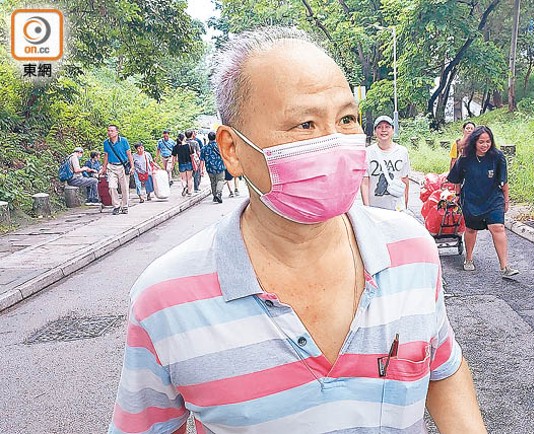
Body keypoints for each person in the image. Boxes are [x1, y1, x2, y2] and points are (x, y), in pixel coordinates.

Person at [109, 27, 486, 434]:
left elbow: (442, 368)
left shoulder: (412, 248)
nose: (335, 143)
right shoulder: (164, 299)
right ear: (233, 150)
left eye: (345, 119)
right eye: (305, 124)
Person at [447, 125, 519, 277]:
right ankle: (468, 258)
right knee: (471, 229)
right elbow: (457, 178)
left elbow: (504, 180)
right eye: (481, 142)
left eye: (488, 141)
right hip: (472, 198)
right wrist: (458, 194)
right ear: (474, 142)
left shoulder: (497, 156)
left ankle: (505, 266)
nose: (485, 145)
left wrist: (506, 200)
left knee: (498, 227)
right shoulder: (466, 158)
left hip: (493, 198)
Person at [360, 115, 411, 212]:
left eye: (387, 127)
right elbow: (365, 182)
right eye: (379, 127)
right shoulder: (368, 153)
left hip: (396, 208)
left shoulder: (402, 151)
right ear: (375, 132)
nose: (384, 130)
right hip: (375, 209)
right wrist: (367, 208)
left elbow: (405, 180)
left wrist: (405, 205)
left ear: (393, 130)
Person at [99, 125, 134, 215]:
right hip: (111, 167)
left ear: (117, 132)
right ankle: (116, 206)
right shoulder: (106, 143)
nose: (109, 132)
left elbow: (129, 154)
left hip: (123, 166)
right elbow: (106, 156)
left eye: (112, 131)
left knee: (124, 188)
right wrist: (104, 168)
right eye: (108, 131)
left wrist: (132, 166)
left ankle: (125, 206)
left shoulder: (124, 141)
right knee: (112, 187)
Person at [201, 130, 226, 203]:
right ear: (215, 137)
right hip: (219, 166)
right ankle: (218, 193)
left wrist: (201, 170)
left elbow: (202, 159)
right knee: (220, 180)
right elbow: (224, 155)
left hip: (209, 167)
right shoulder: (219, 146)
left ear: (208, 138)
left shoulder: (204, 148)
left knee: (213, 182)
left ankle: (214, 196)